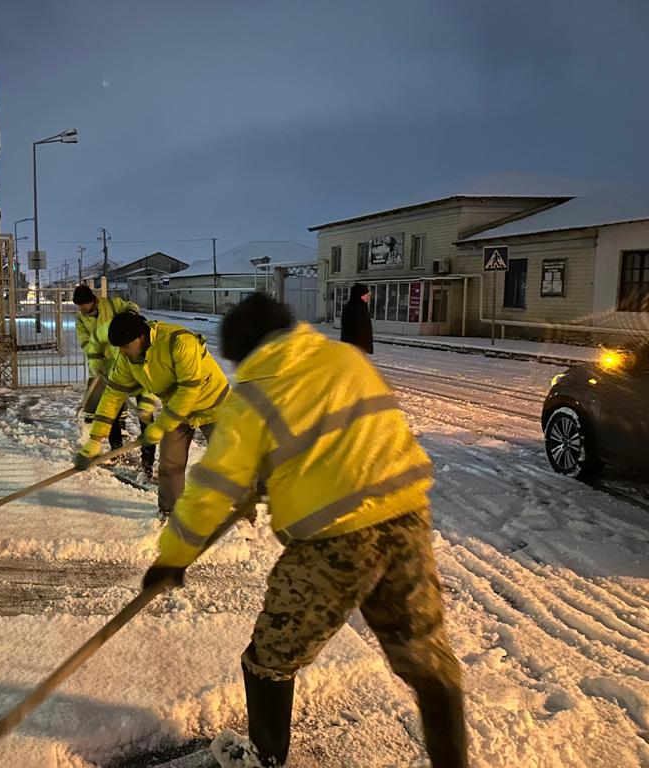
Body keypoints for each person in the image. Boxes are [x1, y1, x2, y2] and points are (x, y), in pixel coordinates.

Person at [143, 293, 467, 768]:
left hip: (335, 543)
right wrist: (266, 476)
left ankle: (264, 757)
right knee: (425, 659)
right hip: (407, 518)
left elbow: (211, 490)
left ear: (246, 351)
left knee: (269, 658)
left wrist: (171, 558)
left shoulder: (254, 394)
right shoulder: (344, 359)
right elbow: (334, 439)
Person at [75, 313, 230, 520]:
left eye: (125, 346)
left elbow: (188, 391)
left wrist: (160, 426)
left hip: (213, 405)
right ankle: (169, 512)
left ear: (140, 337)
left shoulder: (179, 341)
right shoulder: (128, 358)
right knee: (169, 464)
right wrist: (94, 440)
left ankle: (244, 513)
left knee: (228, 463)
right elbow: (112, 396)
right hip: (177, 412)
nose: (121, 352)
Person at [72, 285, 156, 475]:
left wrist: (130, 314)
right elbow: (88, 344)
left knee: (146, 416)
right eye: (79, 306)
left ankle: (148, 463)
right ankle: (116, 450)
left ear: (93, 299)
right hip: (112, 369)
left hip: (137, 365)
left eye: (84, 304)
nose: (82, 309)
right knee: (112, 412)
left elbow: (131, 306)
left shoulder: (112, 304)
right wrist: (97, 362)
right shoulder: (82, 321)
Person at [340, 282, 373, 354]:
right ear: (359, 295)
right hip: (355, 346)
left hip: (360, 345)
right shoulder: (353, 308)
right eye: (366, 295)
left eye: (368, 295)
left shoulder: (362, 307)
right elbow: (350, 330)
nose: (368, 297)